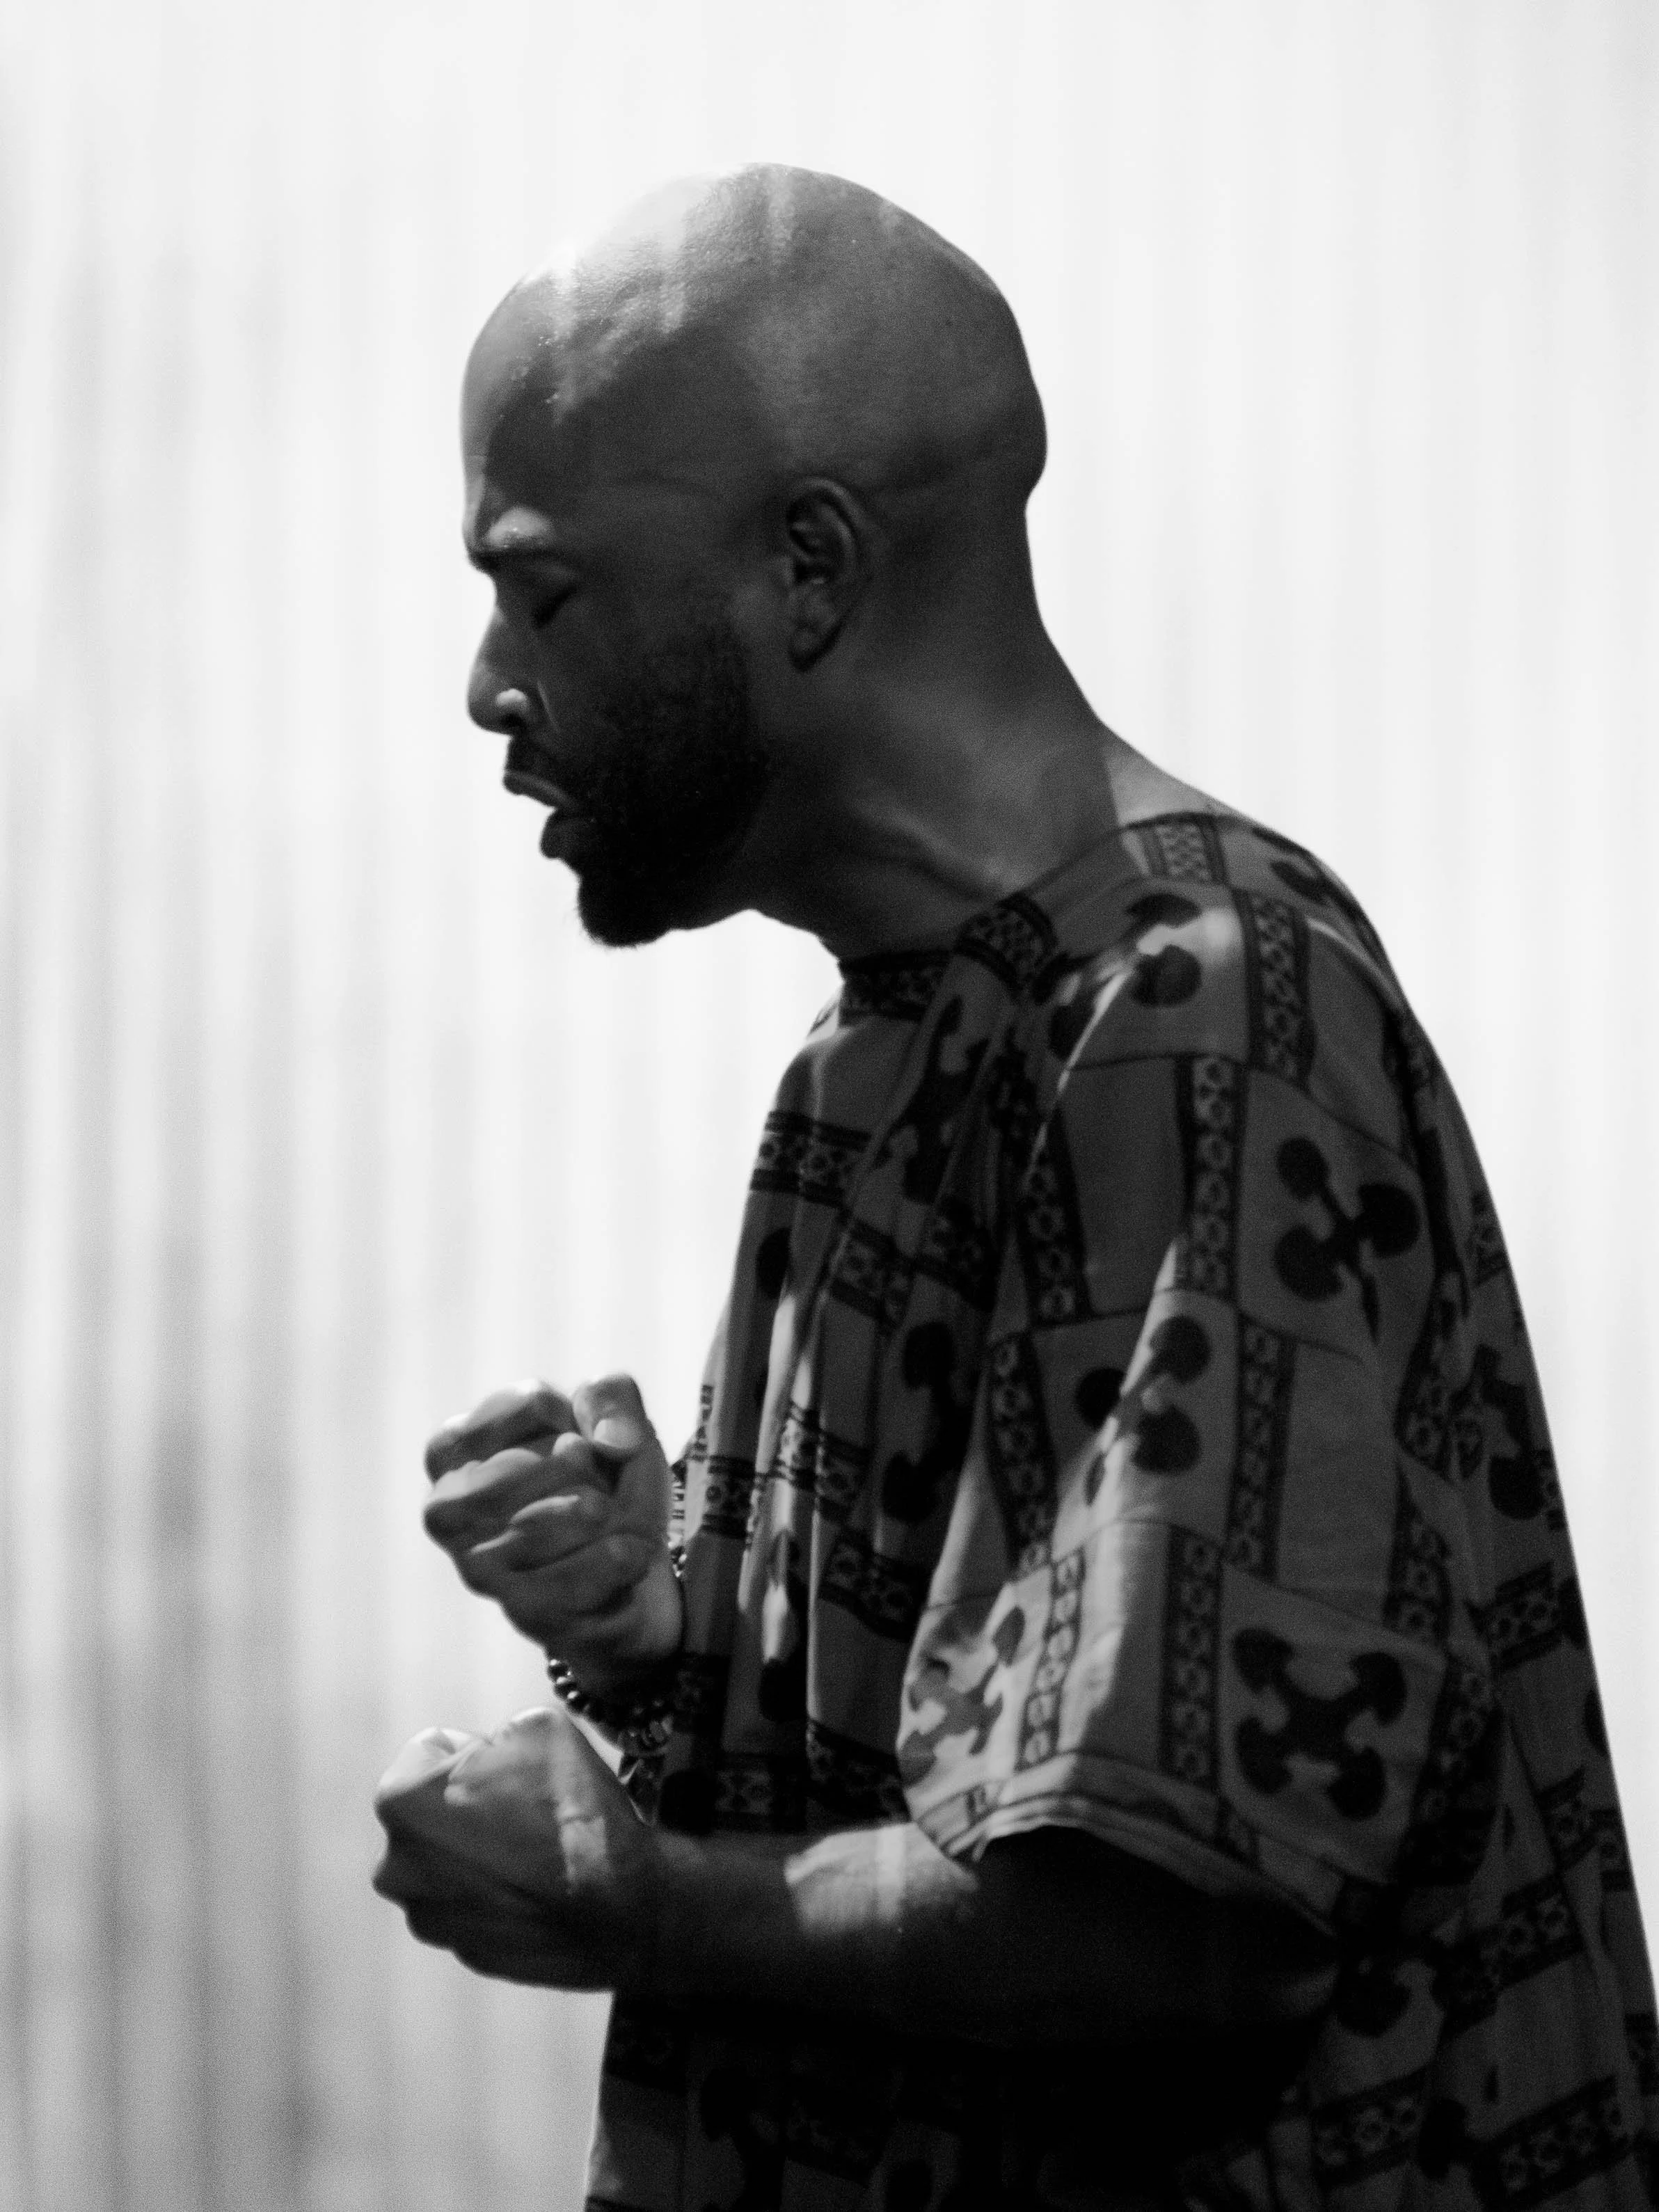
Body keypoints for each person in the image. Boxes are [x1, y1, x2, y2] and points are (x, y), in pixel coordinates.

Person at [372, 166, 1658, 2212]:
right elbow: (974, 1766)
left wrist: (636, 1897)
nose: (487, 686)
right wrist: (659, 1622)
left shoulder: (1207, 1009)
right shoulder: (869, 1062)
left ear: (806, 572)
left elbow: (1183, 1931)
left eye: (541, 591)